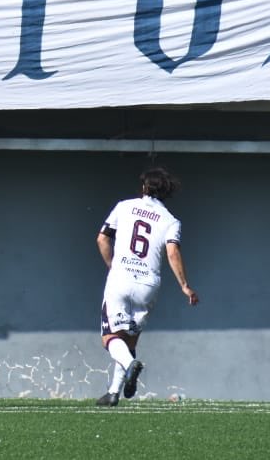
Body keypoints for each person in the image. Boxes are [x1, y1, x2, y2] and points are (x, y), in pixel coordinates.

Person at [95, 167, 198, 407]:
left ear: (144, 187)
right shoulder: (171, 220)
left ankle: (130, 366)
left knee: (110, 337)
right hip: (148, 283)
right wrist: (185, 286)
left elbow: (102, 238)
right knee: (129, 341)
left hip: (121, 277)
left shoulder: (123, 206)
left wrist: (112, 265)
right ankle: (113, 393)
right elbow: (172, 252)